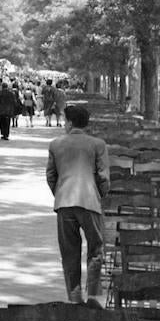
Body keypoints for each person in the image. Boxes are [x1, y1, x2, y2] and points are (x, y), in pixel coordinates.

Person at [46, 104, 110, 307]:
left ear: (70, 122)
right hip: (90, 202)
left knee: (69, 251)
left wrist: (60, 193)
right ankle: (92, 294)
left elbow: (50, 176)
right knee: (96, 248)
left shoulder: (56, 144)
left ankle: (74, 297)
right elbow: (103, 177)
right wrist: (99, 196)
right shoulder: (98, 145)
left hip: (64, 203)